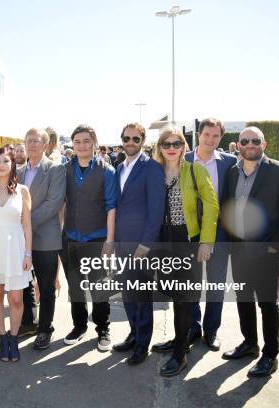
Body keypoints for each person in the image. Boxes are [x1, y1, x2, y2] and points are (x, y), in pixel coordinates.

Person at [221, 126, 279, 377]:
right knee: (244, 299)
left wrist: (275, 246)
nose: (250, 144)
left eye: (255, 140)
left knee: (267, 303)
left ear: (263, 144)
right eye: (245, 141)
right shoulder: (233, 172)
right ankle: (249, 344)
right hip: (239, 250)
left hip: (266, 252)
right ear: (239, 145)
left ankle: (270, 355)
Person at [148, 128, 219, 377]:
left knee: (184, 298)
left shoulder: (194, 170)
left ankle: (180, 354)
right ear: (159, 146)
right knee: (171, 293)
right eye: (166, 143)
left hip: (186, 241)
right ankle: (180, 339)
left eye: (176, 143)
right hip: (162, 242)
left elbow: (211, 204)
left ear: (183, 146)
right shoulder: (154, 172)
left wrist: (206, 242)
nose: (171, 147)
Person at [112, 123, 166, 366]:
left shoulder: (152, 168)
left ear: (143, 140)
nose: (130, 142)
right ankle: (134, 334)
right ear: (122, 140)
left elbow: (157, 211)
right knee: (127, 292)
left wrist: (146, 245)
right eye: (127, 138)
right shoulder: (118, 168)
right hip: (122, 243)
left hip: (141, 246)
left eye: (136, 138)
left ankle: (142, 344)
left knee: (142, 295)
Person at [181, 118, 237, 351]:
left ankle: (211, 330)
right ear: (198, 135)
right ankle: (193, 327)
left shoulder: (230, 162)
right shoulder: (183, 159)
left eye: (215, 136)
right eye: (206, 135)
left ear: (220, 138)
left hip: (219, 233)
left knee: (216, 283)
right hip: (189, 232)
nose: (210, 140)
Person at [60, 124, 117, 351]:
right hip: (71, 237)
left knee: (99, 287)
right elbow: (60, 203)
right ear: (72, 144)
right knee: (75, 286)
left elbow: (112, 207)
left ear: (94, 142)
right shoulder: (64, 170)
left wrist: (109, 241)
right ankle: (79, 326)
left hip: (97, 237)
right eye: (77, 142)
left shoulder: (107, 171)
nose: (82, 145)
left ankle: (103, 329)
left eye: (86, 141)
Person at [17, 128, 66, 350]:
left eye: (37, 141)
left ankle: (45, 329)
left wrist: (25, 225)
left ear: (45, 145)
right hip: (19, 239)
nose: (33, 145)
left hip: (45, 237)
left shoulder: (55, 169)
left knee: (45, 287)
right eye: (29, 141)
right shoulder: (17, 171)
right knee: (23, 283)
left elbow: (54, 203)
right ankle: (28, 322)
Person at [0, 146, 32, 361]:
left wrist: (28, 254)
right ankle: (2, 338)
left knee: (16, 299)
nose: (2, 165)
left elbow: (28, 226)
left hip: (16, 251)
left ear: (13, 164)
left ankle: (14, 338)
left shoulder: (22, 190)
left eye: (6, 160)